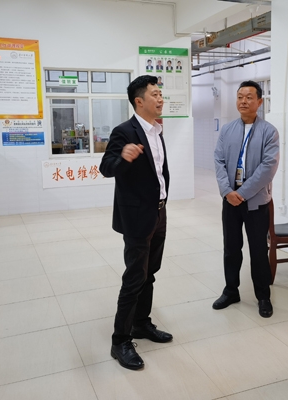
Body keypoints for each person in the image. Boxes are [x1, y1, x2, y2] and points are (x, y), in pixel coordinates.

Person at [99, 75, 172, 371]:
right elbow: (106, 168)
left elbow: (158, 172)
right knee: (134, 278)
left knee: (150, 273)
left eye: (160, 93)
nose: (160, 98)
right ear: (139, 101)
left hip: (159, 212)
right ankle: (120, 340)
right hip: (137, 216)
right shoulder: (124, 131)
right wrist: (124, 157)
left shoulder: (157, 130)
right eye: (155, 94)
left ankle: (141, 323)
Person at [212, 80, 280, 318]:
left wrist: (242, 193)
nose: (243, 101)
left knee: (259, 250)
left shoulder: (269, 132)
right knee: (231, 248)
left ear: (259, 102)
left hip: (256, 201)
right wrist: (227, 191)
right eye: (240, 96)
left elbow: (268, 168)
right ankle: (231, 291)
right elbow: (219, 161)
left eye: (249, 97)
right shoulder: (227, 130)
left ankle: (263, 296)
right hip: (230, 199)